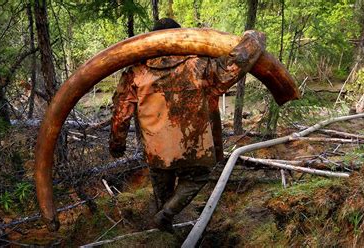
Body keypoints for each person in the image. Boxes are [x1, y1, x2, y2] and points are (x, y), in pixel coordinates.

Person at [109, 18, 265, 233]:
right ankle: (166, 216)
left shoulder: (137, 72)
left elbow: (121, 112)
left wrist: (117, 144)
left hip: (157, 149)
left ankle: (164, 225)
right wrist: (253, 40)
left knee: (162, 190)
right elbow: (235, 64)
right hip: (193, 145)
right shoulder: (198, 65)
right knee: (197, 178)